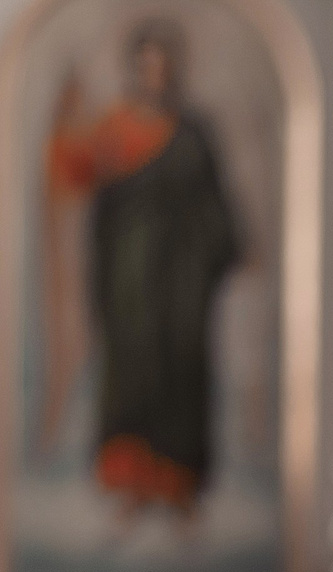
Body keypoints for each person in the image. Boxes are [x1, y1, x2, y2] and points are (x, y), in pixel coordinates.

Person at [43, 19, 239, 516]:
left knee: (181, 374)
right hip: (128, 278)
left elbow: (214, 201)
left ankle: (179, 487)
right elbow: (75, 173)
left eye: (161, 66)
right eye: (145, 65)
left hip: (182, 282)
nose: (153, 75)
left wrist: (226, 246)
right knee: (130, 374)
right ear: (135, 68)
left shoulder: (194, 129)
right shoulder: (115, 125)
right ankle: (131, 485)